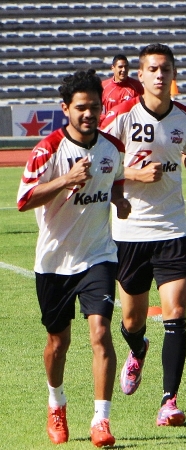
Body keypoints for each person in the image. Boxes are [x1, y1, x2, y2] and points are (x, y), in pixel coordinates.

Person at [101, 43, 186, 426]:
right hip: (129, 231)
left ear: (173, 75)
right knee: (132, 319)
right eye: (152, 69)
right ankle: (138, 349)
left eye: (166, 69)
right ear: (141, 76)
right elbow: (97, 162)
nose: (159, 75)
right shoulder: (121, 116)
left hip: (172, 227)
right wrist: (133, 175)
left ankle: (169, 401)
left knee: (176, 313)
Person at [17, 69, 132, 447]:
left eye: (95, 107)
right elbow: (24, 200)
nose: (89, 114)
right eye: (81, 108)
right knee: (57, 342)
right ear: (65, 108)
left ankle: (101, 419)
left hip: (98, 256)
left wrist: (119, 200)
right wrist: (64, 181)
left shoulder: (112, 148)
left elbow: (114, 181)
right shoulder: (48, 149)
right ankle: (57, 403)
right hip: (53, 262)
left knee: (100, 332)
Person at [101, 55, 144, 120]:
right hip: (110, 126)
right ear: (113, 68)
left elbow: (143, 108)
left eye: (126, 67)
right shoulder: (104, 86)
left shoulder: (136, 86)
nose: (123, 70)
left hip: (129, 127)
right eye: (120, 67)